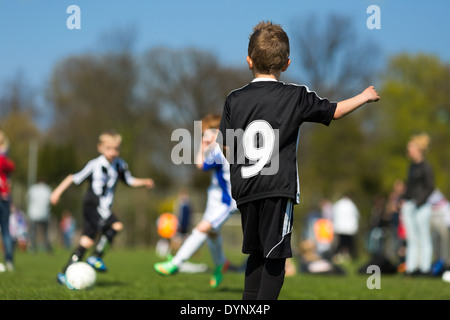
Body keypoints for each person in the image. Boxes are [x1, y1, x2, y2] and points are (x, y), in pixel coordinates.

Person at [218, 21, 380, 300]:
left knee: (255, 254)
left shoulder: (234, 99)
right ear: (287, 63)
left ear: (248, 61)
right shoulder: (295, 96)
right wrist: (364, 97)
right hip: (277, 190)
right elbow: (335, 111)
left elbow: (225, 146)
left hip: (244, 190)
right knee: (275, 257)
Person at [50, 130, 154, 285]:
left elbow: (129, 180)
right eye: (109, 148)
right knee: (116, 226)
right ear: (100, 148)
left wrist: (144, 182)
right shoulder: (95, 165)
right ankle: (96, 256)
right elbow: (74, 177)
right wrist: (57, 192)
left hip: (102, 207)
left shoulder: (120, 165)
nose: (113, 152)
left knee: (86, 241)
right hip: (93, 204)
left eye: (116, 149)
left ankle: (64, 274)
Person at [154, 114, 238, 288]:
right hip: (215, 198)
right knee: (212, 234)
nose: (206, 137)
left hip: (227, 201)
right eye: (204, 134)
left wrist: (202, 144)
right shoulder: (219, 149)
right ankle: (221, 263)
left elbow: (200, 165)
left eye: (209, 133)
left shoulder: (223, 150)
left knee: (202, 228)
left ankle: (176, 263)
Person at [400, 133, 434, 275]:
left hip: (422, 207)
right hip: (409, 206)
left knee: (424, 236)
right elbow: (409, 187)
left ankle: (425, 268)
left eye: (411, 147)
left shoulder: (426, 167)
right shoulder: (411, 167)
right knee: (411, 238)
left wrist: (418, 202)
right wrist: (402, 199)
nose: (409, 150)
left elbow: (430, 187)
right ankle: (411, 268)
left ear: (419, 149)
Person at [0, 130, 16, 271]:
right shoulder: (4, 159)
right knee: (5, 230)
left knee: (5, 230)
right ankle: (9, 261)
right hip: (4, 196)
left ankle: (9, 260)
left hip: (3, 197)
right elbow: (11, 166)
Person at [27, 179, 53, 253]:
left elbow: (29, 199)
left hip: (34, 214)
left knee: (33, 233)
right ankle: (48, 249)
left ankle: (32, 248)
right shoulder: (48, 189)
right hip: (45, 214)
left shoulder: (33, 189)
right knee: (45, 233)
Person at [332, 194, 360, 262]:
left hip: (340, 228)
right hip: (349, 228)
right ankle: (347, 256)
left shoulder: (338, 204)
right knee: (348, 243)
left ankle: (341, 256)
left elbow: (333, 214)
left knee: (342, 242)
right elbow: (357, 215)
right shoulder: (351, 205)